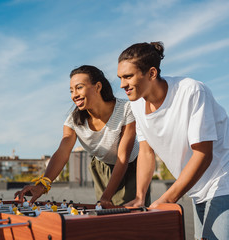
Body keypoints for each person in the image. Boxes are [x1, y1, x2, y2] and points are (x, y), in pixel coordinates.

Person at [117, 41, 229, 240]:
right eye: (120, 77)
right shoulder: (136, 105)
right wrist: (140, 196)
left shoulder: (191, 91)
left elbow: (203, 154)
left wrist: (168, 198)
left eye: (128, 76)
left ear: (151, 73)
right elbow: (145, 151)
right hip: (196, 188)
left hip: (223, 181)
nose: (122, 84)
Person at [15, 65, 150, 208]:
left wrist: (106, 196)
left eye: (79, 88)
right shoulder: (73, 121)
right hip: (101, 167)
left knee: (131, 215)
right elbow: (62, 152)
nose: (74, 95)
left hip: (130, 166)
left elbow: (123, 157)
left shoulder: (126, 109)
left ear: (98, 87)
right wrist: (42, 185)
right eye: (71, 91)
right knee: (105, 214)